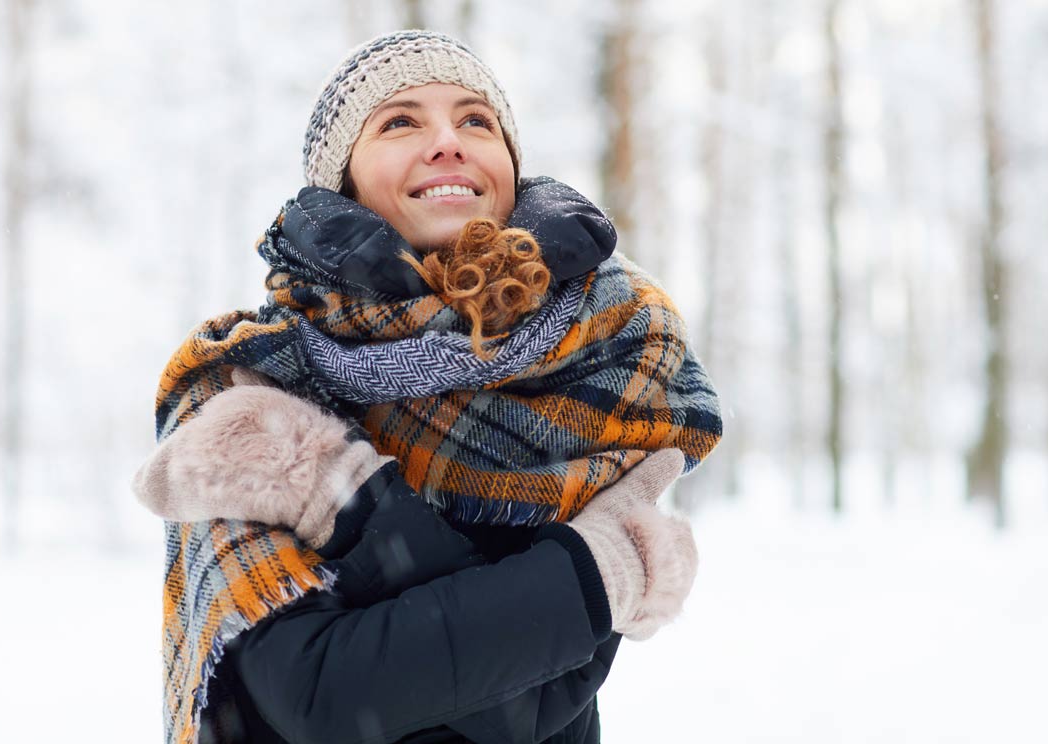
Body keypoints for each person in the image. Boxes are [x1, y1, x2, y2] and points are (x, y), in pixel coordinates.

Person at [134, 29, 722, 744]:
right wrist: (595, 577)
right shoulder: (246, 379)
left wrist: (342, 497)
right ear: (341, 182)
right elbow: (322, 694)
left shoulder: (595, 361)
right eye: (400, 121)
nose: (449, 141)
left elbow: (536, 709)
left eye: (477, 120)